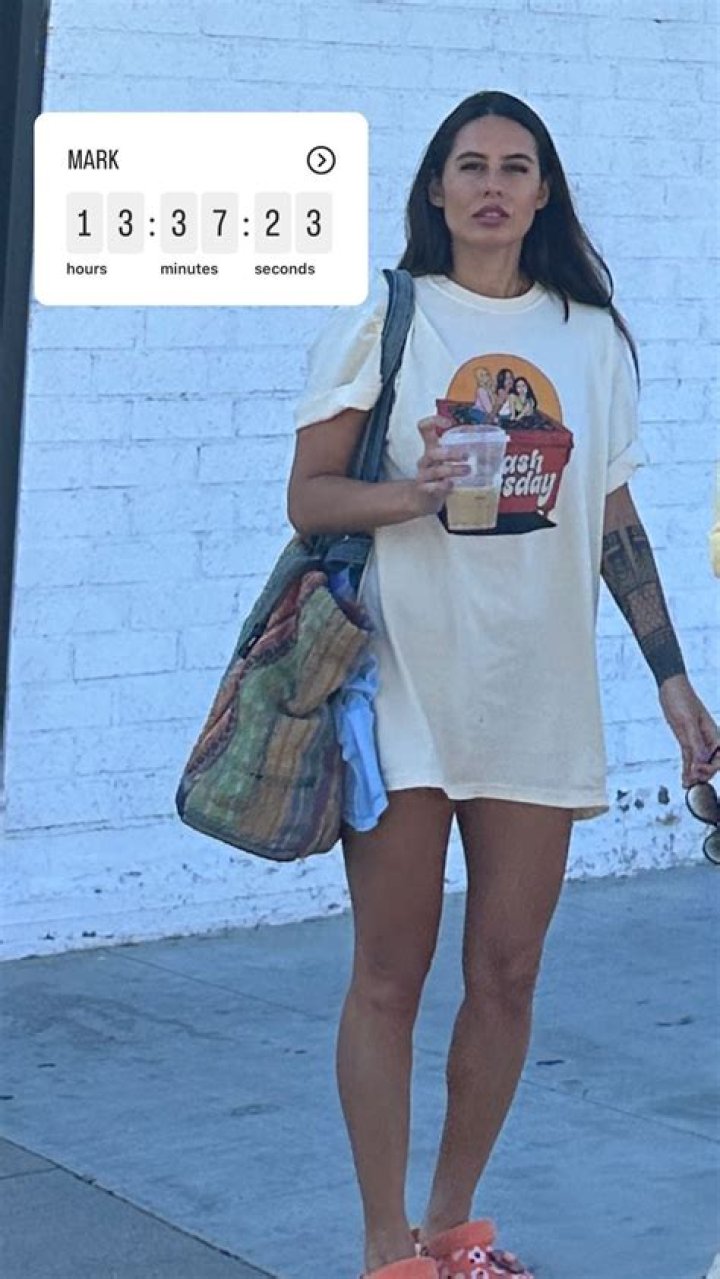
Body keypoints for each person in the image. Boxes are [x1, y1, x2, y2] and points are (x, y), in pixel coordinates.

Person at [287, 90, 719, 1279]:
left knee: (509, 973)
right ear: (437, 188)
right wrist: (411, 493)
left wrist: (673, 682)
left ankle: (453, 1226)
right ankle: (388, 1250)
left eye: (515, 166)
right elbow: (311, 495)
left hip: (540, 692)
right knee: (390, 974)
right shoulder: (388, 320)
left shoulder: (591, 337)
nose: (492, 185)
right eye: (470, 165)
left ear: (543, 193)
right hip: (403, 686)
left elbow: (611, 515)